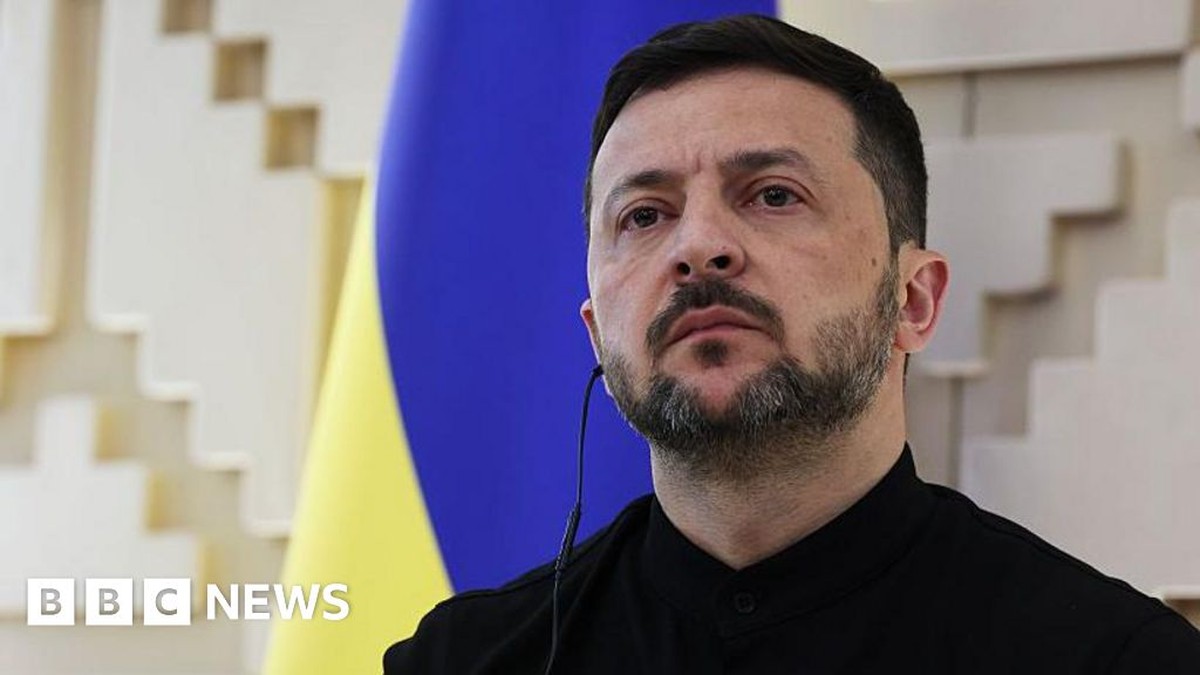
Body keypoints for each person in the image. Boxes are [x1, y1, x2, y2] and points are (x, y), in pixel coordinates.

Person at [384, 14, 1200, 674]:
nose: (699, 247)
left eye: (773, 195)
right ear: (598, 332)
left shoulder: (1113, 660)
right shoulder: (463, 660)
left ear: (913, 300)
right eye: (645, 214)